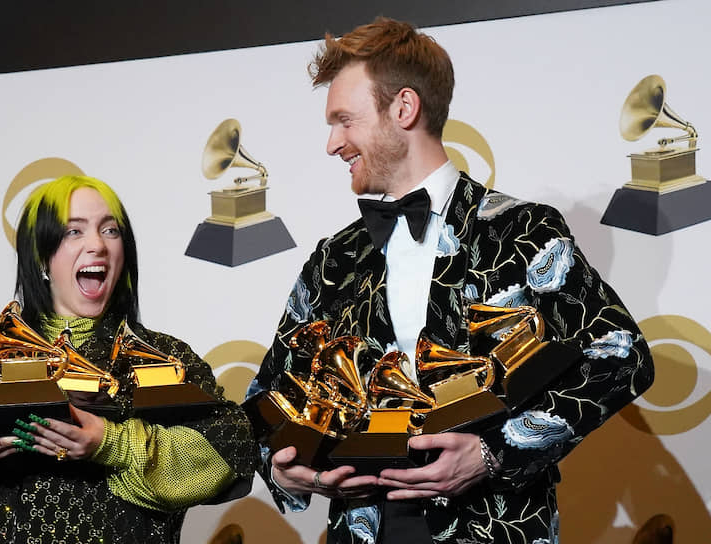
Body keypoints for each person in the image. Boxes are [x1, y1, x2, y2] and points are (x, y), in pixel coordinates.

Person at [247, 17, 654, 543]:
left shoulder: (520, 230)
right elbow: (266, 399)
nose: (332, 143)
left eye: (345, 120)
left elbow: (620, 355)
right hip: (366, 527)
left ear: (404, 108)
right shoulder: (335, 259)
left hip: (493, 525)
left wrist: (492, 453)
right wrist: (283, 470)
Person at [0, 175, 258, 544]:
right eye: (74, 232)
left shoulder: (165, 358)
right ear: (41, 255)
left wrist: (110, 443)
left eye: (110, 230)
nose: (97, 245)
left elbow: (229, 445)